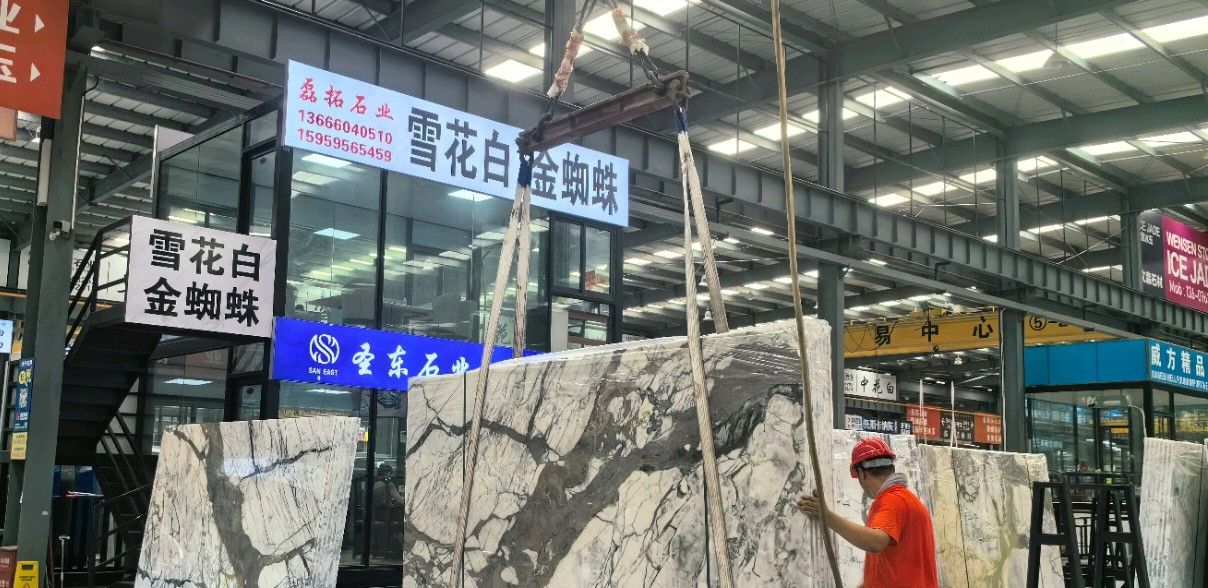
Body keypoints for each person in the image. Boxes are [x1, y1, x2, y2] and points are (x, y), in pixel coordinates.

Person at [797, 437, 938, 588]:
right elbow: (894, 566)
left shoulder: (892, 500)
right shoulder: (908, 500)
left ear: (861, 473)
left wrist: (826, 516)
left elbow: (876, 542)